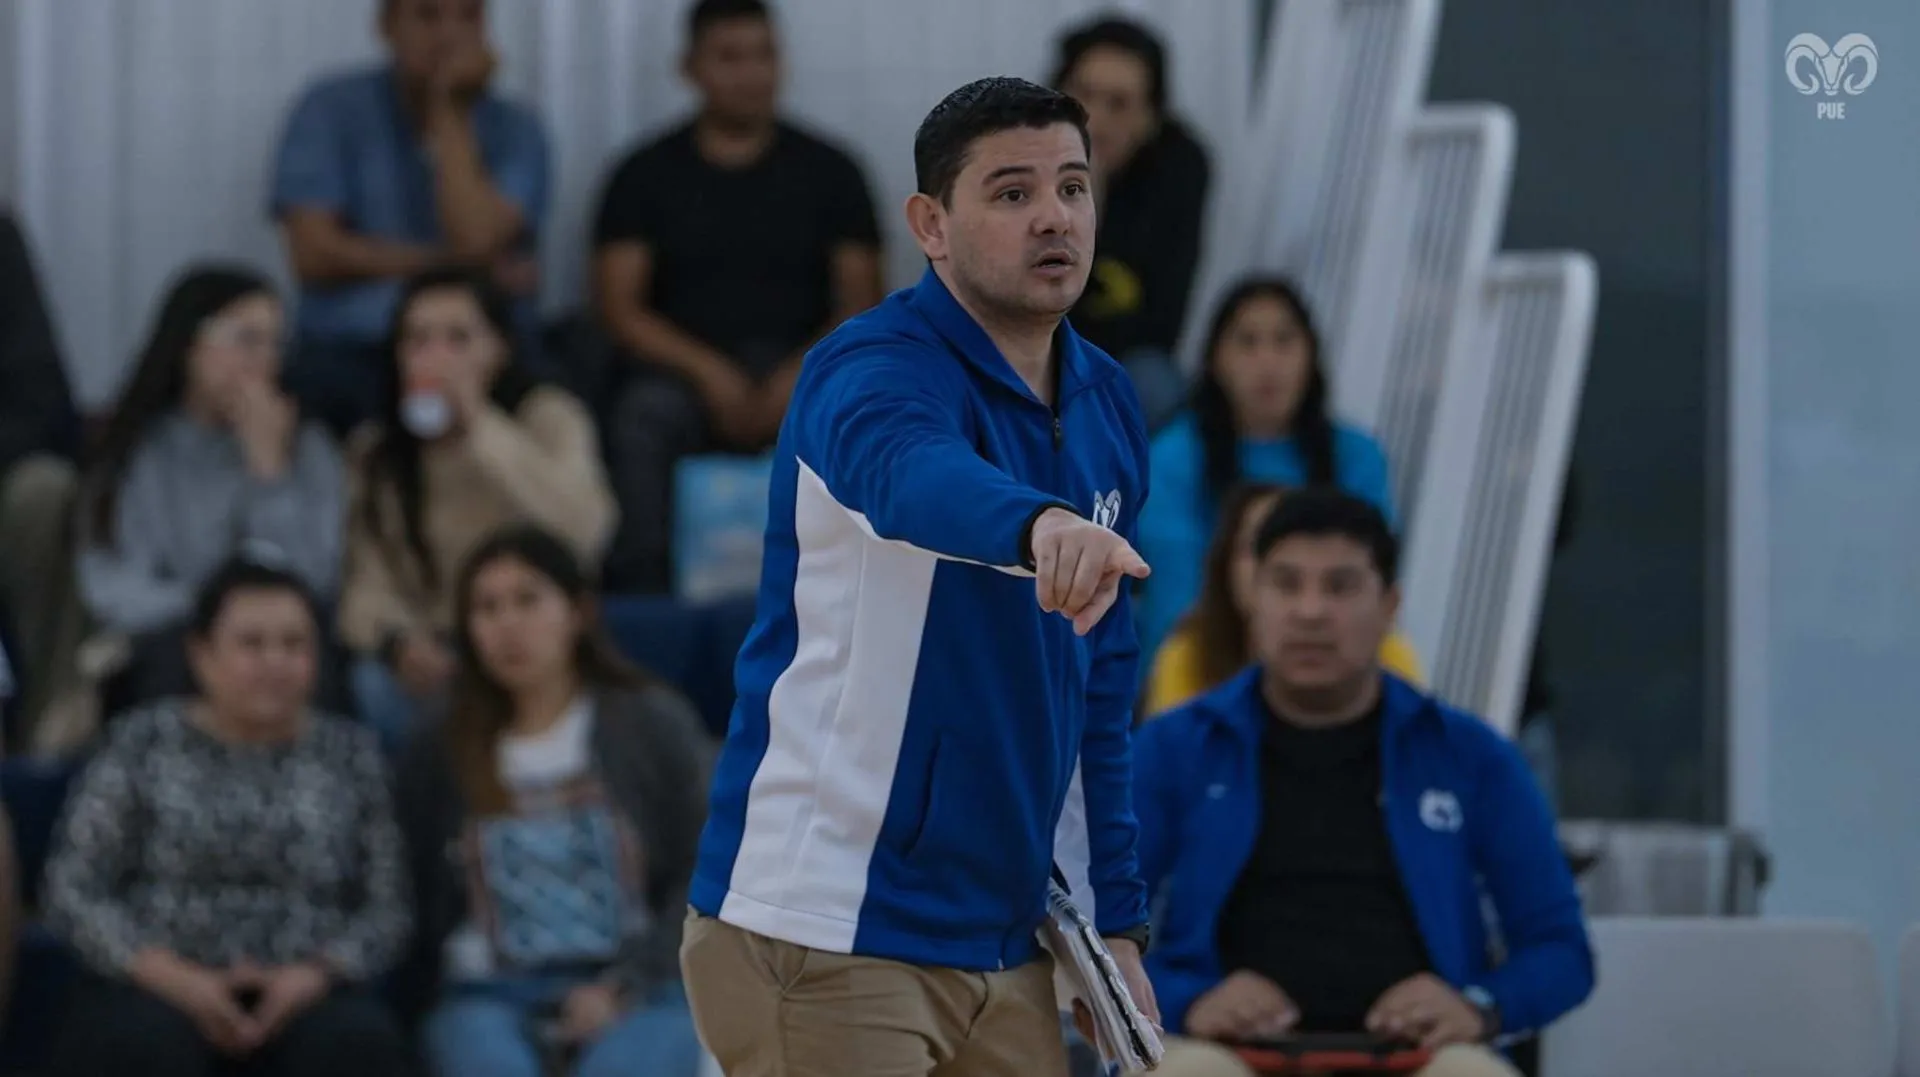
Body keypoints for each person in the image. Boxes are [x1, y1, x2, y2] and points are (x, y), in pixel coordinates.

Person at [679, 77, 1157, 1077]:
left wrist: (1116, 926)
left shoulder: (1112, 402)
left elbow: (1098, 703)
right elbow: (908, 475)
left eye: (1072, 187)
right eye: (1013, 193)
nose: (1054, 218)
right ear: (930, 225)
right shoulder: (867, 368)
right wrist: (1039, 524)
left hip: (1004, 939)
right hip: (825, 924)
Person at [1131, 490, 1594, 1077]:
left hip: (1422, 1056)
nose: (1310, 612)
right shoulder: (1176, 748)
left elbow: (1560, 948)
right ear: (1253, 599)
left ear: (1390, 605)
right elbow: (1098, 932)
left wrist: (1478, 1007)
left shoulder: (1471, 755)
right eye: (1287, 584)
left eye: (1341, 587)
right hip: (1223, 1052)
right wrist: (1190, 999)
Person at [43, 557, 414, 1077]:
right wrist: (176, 980)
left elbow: (387, 906)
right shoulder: (141, 742)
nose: (274, 662)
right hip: (156, 985)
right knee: (140, 1048)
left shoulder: (352, 756)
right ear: (201, 654)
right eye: (252, 643)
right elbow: (74, 888)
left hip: (308, 993)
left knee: (357, 1048)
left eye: (293, 644)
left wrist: (310, 977)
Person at [392, 524, 711, 1077]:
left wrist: (624, 986)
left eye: (527, 600)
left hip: (642, 986)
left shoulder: (651, 721)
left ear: (578, 612)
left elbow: (704, 871)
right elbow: (413, 888)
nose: (507, 624)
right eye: (486, 608)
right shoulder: (439, 741)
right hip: (486, 994)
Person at [591, 0, 885, 592]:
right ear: (690, 68)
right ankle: (646, 597)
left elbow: (863, 302)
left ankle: (848, 590)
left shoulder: (833, 172)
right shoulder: (642, 176)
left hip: (802, 368)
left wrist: (793, 377)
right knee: (642, 418)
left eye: (764, 55)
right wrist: (710, 374)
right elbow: (618, 308)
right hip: (680, 375)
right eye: (730, 57)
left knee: (856, 412)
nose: (751, 73)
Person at [339, 268, 616, 752]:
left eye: (458, 339)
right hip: (437, 647)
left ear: (499, 348)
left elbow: (585, 530)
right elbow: (366, 582)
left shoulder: (547, 419)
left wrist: (479, 427)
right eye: (418, 340)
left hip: (535, 632)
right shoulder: (378, 453)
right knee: (374, 683)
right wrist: (398, 642)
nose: (436, 358)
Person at [271, 0, 550, 436]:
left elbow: (475, 237)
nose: (448, 35)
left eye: (468, 17)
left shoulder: (517, 127)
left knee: (545, 397)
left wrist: (450, 111)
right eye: (427, 15)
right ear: (386, 26)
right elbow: (313, 255)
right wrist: (453, 263)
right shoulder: (328, 107)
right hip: (356, 344)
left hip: (480, 348)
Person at [78, 265, 346, 712]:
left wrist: (269, 475)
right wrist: (216, 616)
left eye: (274, 344)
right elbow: (112, 585)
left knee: (303, 662)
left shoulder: (307, 448)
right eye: (246, 339)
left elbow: (314, 579)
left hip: (279, 636)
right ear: (189, 344)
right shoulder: (134, 448)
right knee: (170, 664)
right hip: (169, 638)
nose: (265, 360)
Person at [1135, 277, 1395, 664]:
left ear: (1311, 356)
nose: (1268, 362)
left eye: (1284, 341)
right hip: (1201, 661)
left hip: (1327, 654)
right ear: (1216, 360)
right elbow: (1179, 598)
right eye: (1248, 342)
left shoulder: (1357, 456)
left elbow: (1371, 575)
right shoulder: (1171, 458)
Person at [1144, 482, 1422, 718]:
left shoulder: (1388, 655)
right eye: (1255, 549)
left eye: (1337, 585)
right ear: (1224, 563)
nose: (1309, 611)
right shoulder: (1189, 654)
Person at [1051, 16, 1209, 429]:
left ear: (1149, 120)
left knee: (1155, 383)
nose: (1093, 119)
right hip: (1016, 347)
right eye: (1082, 94)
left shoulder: (1179, 169)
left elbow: (1161, 326)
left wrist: (1090, 212)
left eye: (1118, 104)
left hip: (1114, 358)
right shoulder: (1009, 148)